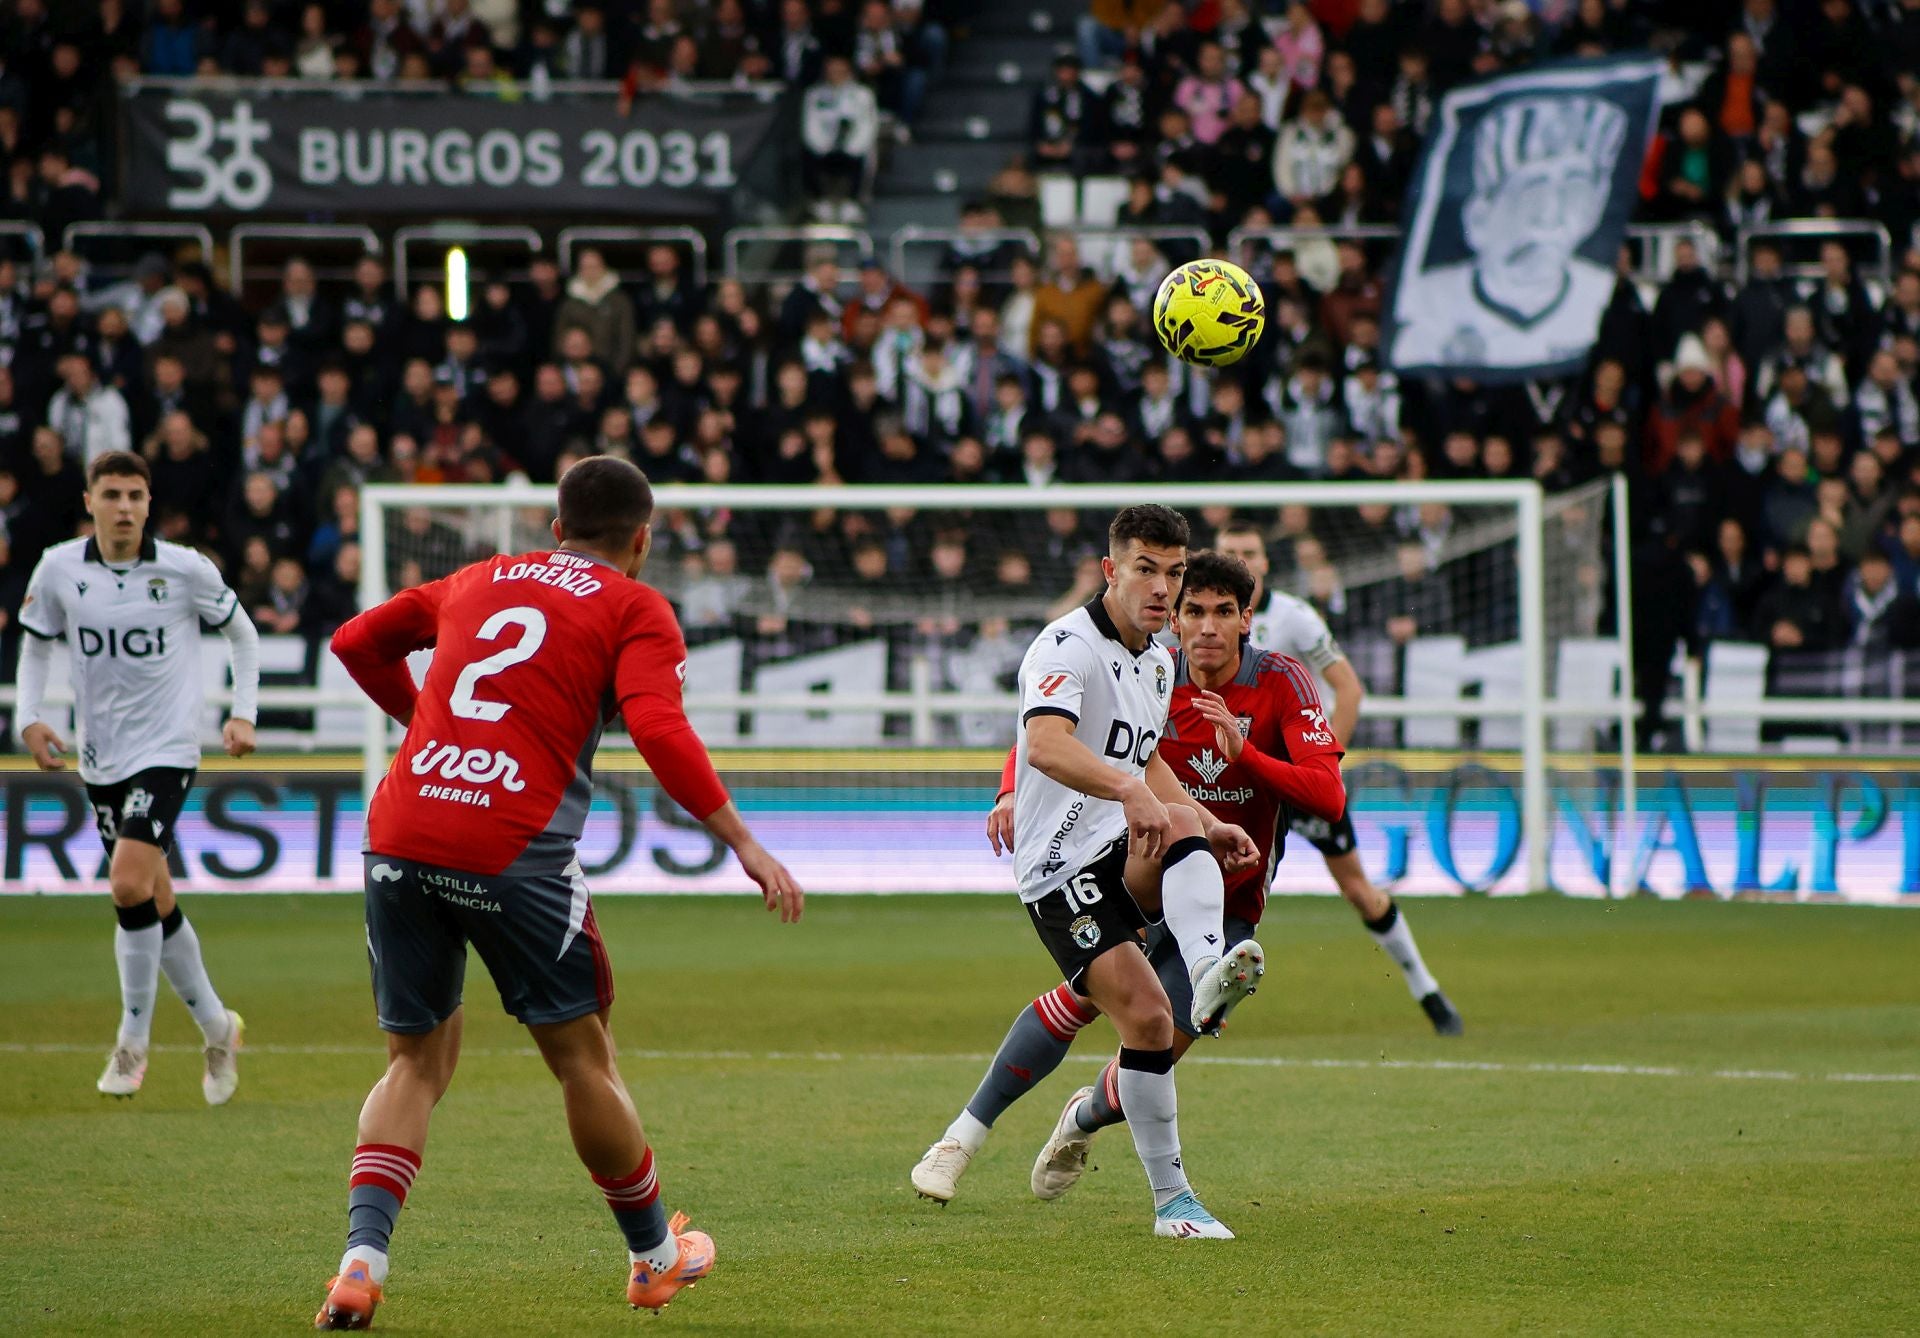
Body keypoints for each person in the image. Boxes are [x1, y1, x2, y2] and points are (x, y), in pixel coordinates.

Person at [315, 458, 804, 1328]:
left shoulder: (477, 576)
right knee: (582, 1058)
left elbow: (354, 642)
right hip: (513, 847)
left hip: (401, 829)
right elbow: (656, 723)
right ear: (642, 541)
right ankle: (655, 1259)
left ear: (554, 526)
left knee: (414, 1062)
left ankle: (359, 1263)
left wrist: (425, 722)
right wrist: (743, 840)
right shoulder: (634, 605)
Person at [910, 550, 1346, 1210]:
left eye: (1221, 612)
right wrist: (1009, 792)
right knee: (1094, 993)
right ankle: (965, 1139)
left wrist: (1246, 757)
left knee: (1151, 1044)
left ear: (1247, 620)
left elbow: (1329, 796)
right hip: (1136, 855)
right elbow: (1050, 726)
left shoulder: (1281, 681)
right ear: (1174, 615)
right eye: (1192, 610)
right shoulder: (1148, 670)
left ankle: (1082, 1117)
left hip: (1228, 897)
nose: (1204, 626)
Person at [13, 451, 257, 1103]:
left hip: (169, 749)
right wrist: (28, 719)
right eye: (112, 494)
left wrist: (242, 713)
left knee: (125, 884)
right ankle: (215, 1026)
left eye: (136, 495)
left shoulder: (182, 569)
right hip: (102, 757)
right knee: (155, 895)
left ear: (150, 504)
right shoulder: (60, 568)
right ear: (89, 501)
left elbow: (243, 633)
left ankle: (132, 1043)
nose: (124, 506)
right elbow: (35, 644)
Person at [1214, 522, 1462, 1033]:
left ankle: (1427, 990)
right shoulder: (1199, 621)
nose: (1240, 560)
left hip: (1292, 780)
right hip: (1233, 782)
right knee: (1201, 880)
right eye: (1229, 552)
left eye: (1249, 551)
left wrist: (1320, 766)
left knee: (1358, 891)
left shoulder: (1296, 618)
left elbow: (1347, 689)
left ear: (1264, 562)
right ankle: (1183, 991)